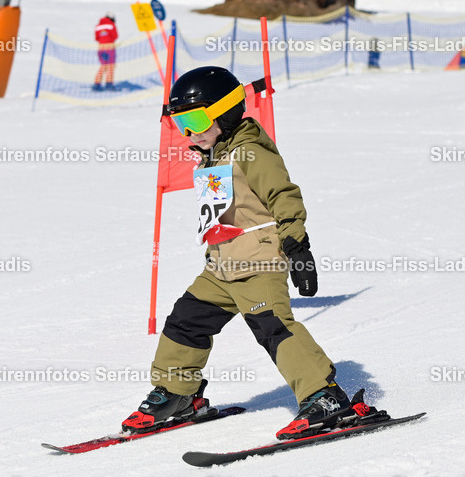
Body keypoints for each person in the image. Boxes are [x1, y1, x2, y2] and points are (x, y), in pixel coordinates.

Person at [122, 67, 355, 441]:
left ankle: (324, 396)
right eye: (181, 121)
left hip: (258, 260)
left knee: (273, 327)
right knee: (186, 321)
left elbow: (283, 195)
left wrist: (298, 246)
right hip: (221, 266)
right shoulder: (213, 155)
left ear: (225, 112)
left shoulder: (250, 150)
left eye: (195, 119)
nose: (188, 131)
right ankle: (178, 394)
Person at [93, 13, 117, 91]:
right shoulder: (111, 25)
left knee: (103, 66)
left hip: (101, 48)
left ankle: (97, 84)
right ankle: (109, 85)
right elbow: (115, 36)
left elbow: (97, 38)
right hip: (110, 48)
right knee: (110, 66)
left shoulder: (98, 26)